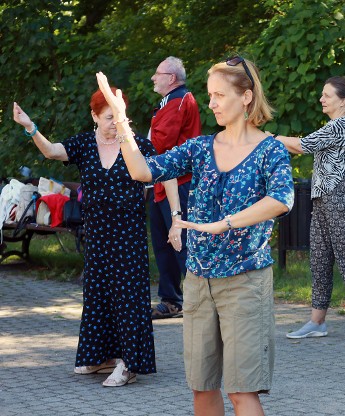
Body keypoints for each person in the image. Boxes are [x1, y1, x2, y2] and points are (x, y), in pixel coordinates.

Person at [96, 55, 294, 415]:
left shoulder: (270, 150)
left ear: (246, 96)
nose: (212, 103)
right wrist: (120, 118)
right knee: (202, 390)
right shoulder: (200, 148)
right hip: (198, 282)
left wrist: (227, 223)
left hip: (245, 282)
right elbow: (142, 170)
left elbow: (281, 199)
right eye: (210, 95)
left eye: (220, 95)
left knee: (242, 393)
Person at [12, 90, 156, 387]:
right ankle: (103, 356)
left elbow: (161, 176)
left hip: (127, 236)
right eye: (109, 117)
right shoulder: (85, 144)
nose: (116, 122)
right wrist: (30, 127)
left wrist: (176, 220)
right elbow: (51, 151)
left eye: (120, 115)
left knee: (128, 297)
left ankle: (130, 363)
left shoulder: (138, 144)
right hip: (98, 235)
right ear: (94, 117)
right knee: (98, 294)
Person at [275, 76, 345, 348]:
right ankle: (317, 322)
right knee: (319, 260)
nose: (321, 99)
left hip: (342, 196)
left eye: (326, 95)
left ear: (343, 100)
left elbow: (302, 145)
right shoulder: (334, 124)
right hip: (322, 198)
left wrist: (267, 138)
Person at [149, 56, 201, 319]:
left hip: (179, 184)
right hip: (161, 183)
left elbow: (161, 142)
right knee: (163, 244)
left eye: (157, 74)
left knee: (181, 242)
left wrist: (134, 145)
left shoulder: (179, 100)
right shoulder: (170, 101)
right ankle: (171, 301)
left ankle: (197, 301)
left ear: (171, 78)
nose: (153, 78)